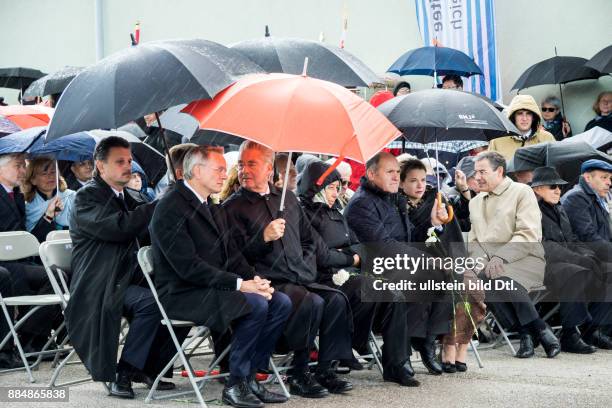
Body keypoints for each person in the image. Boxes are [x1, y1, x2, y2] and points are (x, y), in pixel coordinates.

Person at [150, 145, 291, 407]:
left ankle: (251, 376)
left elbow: (231, 254)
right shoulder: (171, 205)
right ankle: (235, 383)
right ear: (197, 170)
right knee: (254, 304)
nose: (226, 175)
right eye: (219, 169)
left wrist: (254, 280)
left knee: (280, 302)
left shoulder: (210, 204)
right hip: (182, 292)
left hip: (210, 287)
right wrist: (240, 285)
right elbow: (187, 267)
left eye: (225, 170)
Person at [223, 141, 353, 397]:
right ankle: (298, 372)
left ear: (269, 169)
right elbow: (234, 255)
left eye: (251, 164)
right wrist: (264, 237)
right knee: (312, 302)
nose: (244, 170)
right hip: (268, 280)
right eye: (241, 164)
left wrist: (304, 262)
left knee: (337, 299)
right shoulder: (232, 207)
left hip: (299, 275)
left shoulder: (288, 199)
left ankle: (325, 369)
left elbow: (309, 240)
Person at [65, 136, 177, 399]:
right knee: (151, 302)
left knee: (178, 293)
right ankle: (123, 372)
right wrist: (157, 205)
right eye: (120, 162)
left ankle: (151, 367)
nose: (128, 166)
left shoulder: (130, 196)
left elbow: (148, 229)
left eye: (129, 160)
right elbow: (119, 227)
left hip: (128, 276)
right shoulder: (86, 197)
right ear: (100, 166)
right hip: (99, 281)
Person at [298, 160, 417, 385]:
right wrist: (349, 257)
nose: (337, 193)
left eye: (338, 187)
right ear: (317, 187)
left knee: (393, 294)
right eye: (331, 188)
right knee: (371, 290)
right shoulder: (304, 214)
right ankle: (347, 350)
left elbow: (356, 244)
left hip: (348, 273)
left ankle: (397, 362)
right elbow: (320, 255)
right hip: (321, 278)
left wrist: (352, 256)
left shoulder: (335, 213)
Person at [344, 152, 452, 380]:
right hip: (372, 270)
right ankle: (401, 356)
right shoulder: (361, 203)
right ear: (372, 174)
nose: (396, 177)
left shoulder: (393, 199)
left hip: (397, 265)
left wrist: (434, 225)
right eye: (390, 172)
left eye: (397, 172)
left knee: (445, 274)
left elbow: (411, 237)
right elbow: (383, 247)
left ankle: (424, 341)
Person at [468, 151, 560, 359]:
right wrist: (479, 264)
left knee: (499, 277)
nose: (477, 177)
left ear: (499, 171)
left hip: (526, 258)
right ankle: (534, 329)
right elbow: (474, 243)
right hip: (491, 265)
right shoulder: (474, 202)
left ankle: (529, 332)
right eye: (475, 172)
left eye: (482, 172)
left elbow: (528, 234)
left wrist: (500, 257)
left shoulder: (521, 192)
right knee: (480, 280)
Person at [399, 158, 483, 372]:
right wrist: (432, 225)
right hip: (414, 262)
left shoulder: (436, 198)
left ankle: (451, 344)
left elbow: (462, 223)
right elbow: (408, 239)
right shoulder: (397, 204)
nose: (420, 185)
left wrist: (444, 221)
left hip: (445, 257)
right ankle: (429, 342)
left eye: (423, 179)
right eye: (413, 180)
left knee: (471, 287)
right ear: (401, 183)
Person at [532, 166, 612, 352]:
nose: (558, 190)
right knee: (576, 272)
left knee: (607, 269)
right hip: (542, 265)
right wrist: (580, 259)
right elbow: (547, 247)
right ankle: (570, 333)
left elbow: (572, 239)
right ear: (537, 189)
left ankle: (593, 329)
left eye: (559, 186)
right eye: (552, 186)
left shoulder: (559, 208)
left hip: (564, 262)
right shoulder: (533, 210)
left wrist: (588, 255)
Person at [0, 153, 61, 359]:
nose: (23, 171)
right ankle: (26, 342)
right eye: (18, 166)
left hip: (20, 260)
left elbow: (27, 237)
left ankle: (30, 340)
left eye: (23, 166)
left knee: (56, 275)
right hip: (4, 262)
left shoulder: (16, 195)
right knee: (22, 279)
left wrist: (49, 216)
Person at [561, 159, 612, 258]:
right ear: (588, 178)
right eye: (604, 177)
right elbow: (588, 237)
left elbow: (605, 233)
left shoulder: (595, 197)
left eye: (610, 178)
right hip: (591, 260)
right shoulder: (576, 197)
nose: (609, 183)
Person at [22, 157, 76, 240]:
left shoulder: (72, 197)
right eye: (44, 173)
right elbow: (33, 240)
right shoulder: (28, 206)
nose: (50, 176)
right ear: (33, 180)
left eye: (53, 172)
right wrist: (49, 215)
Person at [488, 95, 556, 161]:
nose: (524, 118)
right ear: (513, 116)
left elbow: (557, 166)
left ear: (534, 117)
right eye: (520, 113)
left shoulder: (547, 138)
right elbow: (490, 168)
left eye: (528, 114)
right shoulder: (497, 141)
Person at [450, 156, 481, 231]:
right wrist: (465, 191)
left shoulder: (484, 192)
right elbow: (464, 224)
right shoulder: (452, 196)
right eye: (474, 176)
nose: (480, 179)